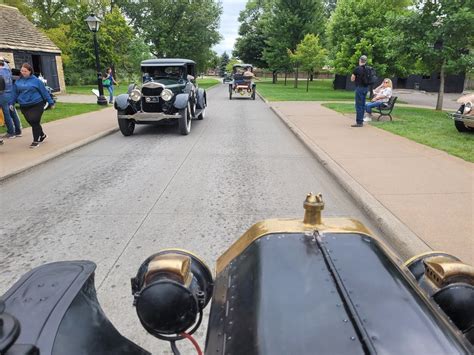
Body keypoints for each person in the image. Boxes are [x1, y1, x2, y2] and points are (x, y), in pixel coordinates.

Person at [12, 63, 55, 148]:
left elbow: (44, 92)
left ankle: (36, 140)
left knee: (34, 120)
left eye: (25, 71)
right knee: (32, 122)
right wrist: (11, 103)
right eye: (22, 71)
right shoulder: (18, 81)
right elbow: (15, 93)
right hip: (24, 105)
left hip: (37, 104)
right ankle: (42, 135)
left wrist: (51, 102)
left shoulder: (36, 81)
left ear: (30, 71)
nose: (23, 72)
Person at [0, 57, 22, 139]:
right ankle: (18, 131)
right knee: (12, 112)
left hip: (3, 94)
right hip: (10, 93)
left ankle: (11, 132)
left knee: (6, 114)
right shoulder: (7, 70)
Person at [350, 55, 370, 127]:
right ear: (366, 61)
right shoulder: (368, 69)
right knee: (363, 104)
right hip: (366, 88)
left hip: (359, 88)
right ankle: (361, 120)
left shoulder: (357, 69)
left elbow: (352, 79)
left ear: (359, 60)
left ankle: (359, 122)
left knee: (358, 105)